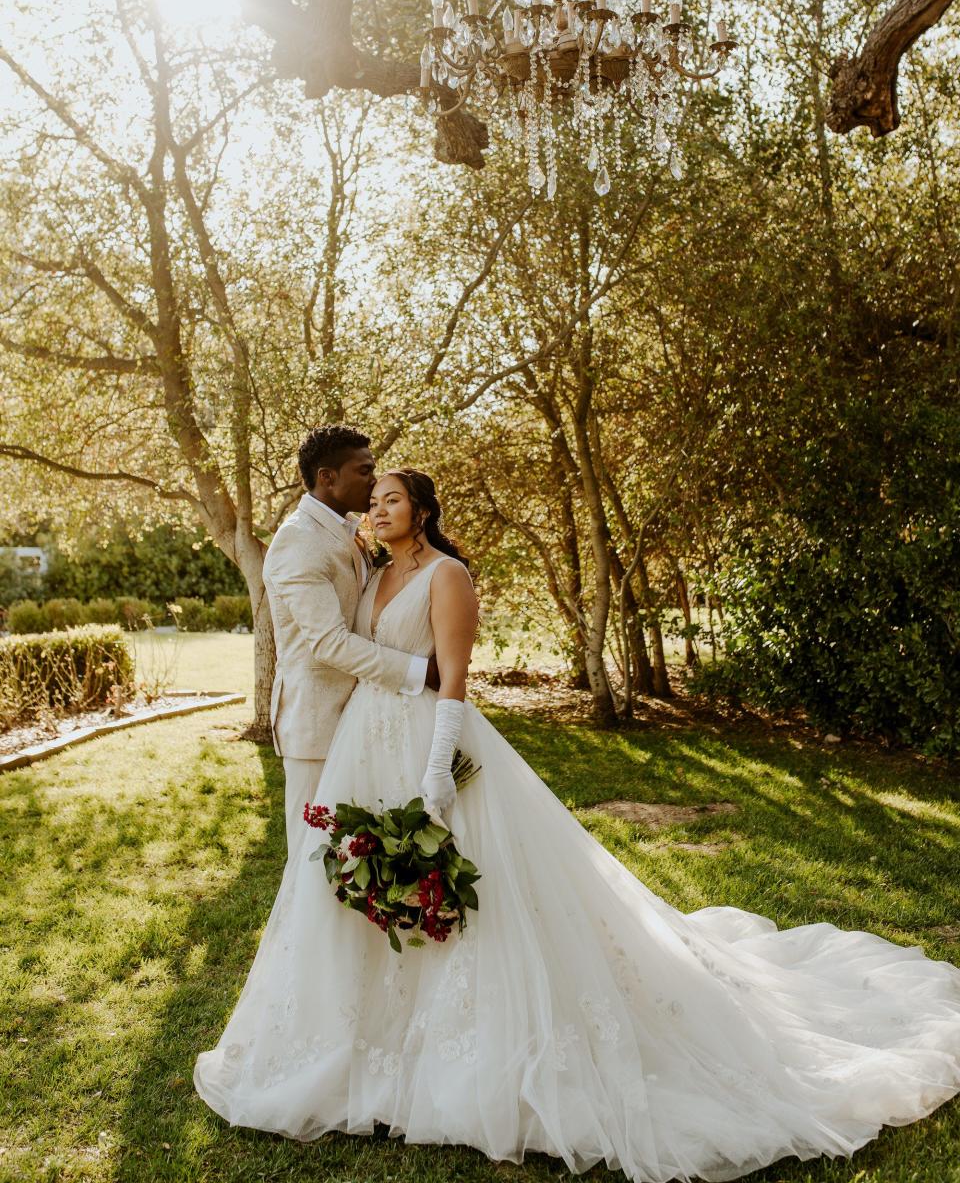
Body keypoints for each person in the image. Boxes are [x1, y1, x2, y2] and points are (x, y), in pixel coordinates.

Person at [196, 468, 960, 1182]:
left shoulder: (446, 575)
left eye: (392, 498)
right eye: (374, 500)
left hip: (432, 743)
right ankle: (369, 1042)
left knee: (470, 898)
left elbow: (454, 680)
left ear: (422, 512)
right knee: (369, 886)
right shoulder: (372, 570)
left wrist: (435, 772)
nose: (378, 508)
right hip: (367, 745)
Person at [262, 426, 438, 857]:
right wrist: (420, 671)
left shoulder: (347, 531)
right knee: (312, 859)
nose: (374, 481)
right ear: (328, 477)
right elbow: (329, 643)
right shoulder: (299, 540)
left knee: (353, 858)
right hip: (316, 725)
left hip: (363, 720)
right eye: (365, 471)